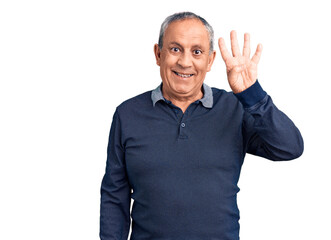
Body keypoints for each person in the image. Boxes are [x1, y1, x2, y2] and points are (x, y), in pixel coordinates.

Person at [99, 12, 304, 240]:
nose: (185, 62)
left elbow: (289, 148)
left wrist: (252, 95)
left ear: (210, 60)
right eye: (175, 49)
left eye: (196, 52)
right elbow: (114, 196)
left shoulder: (235, 109)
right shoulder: (128, 114)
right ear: (158, 54)